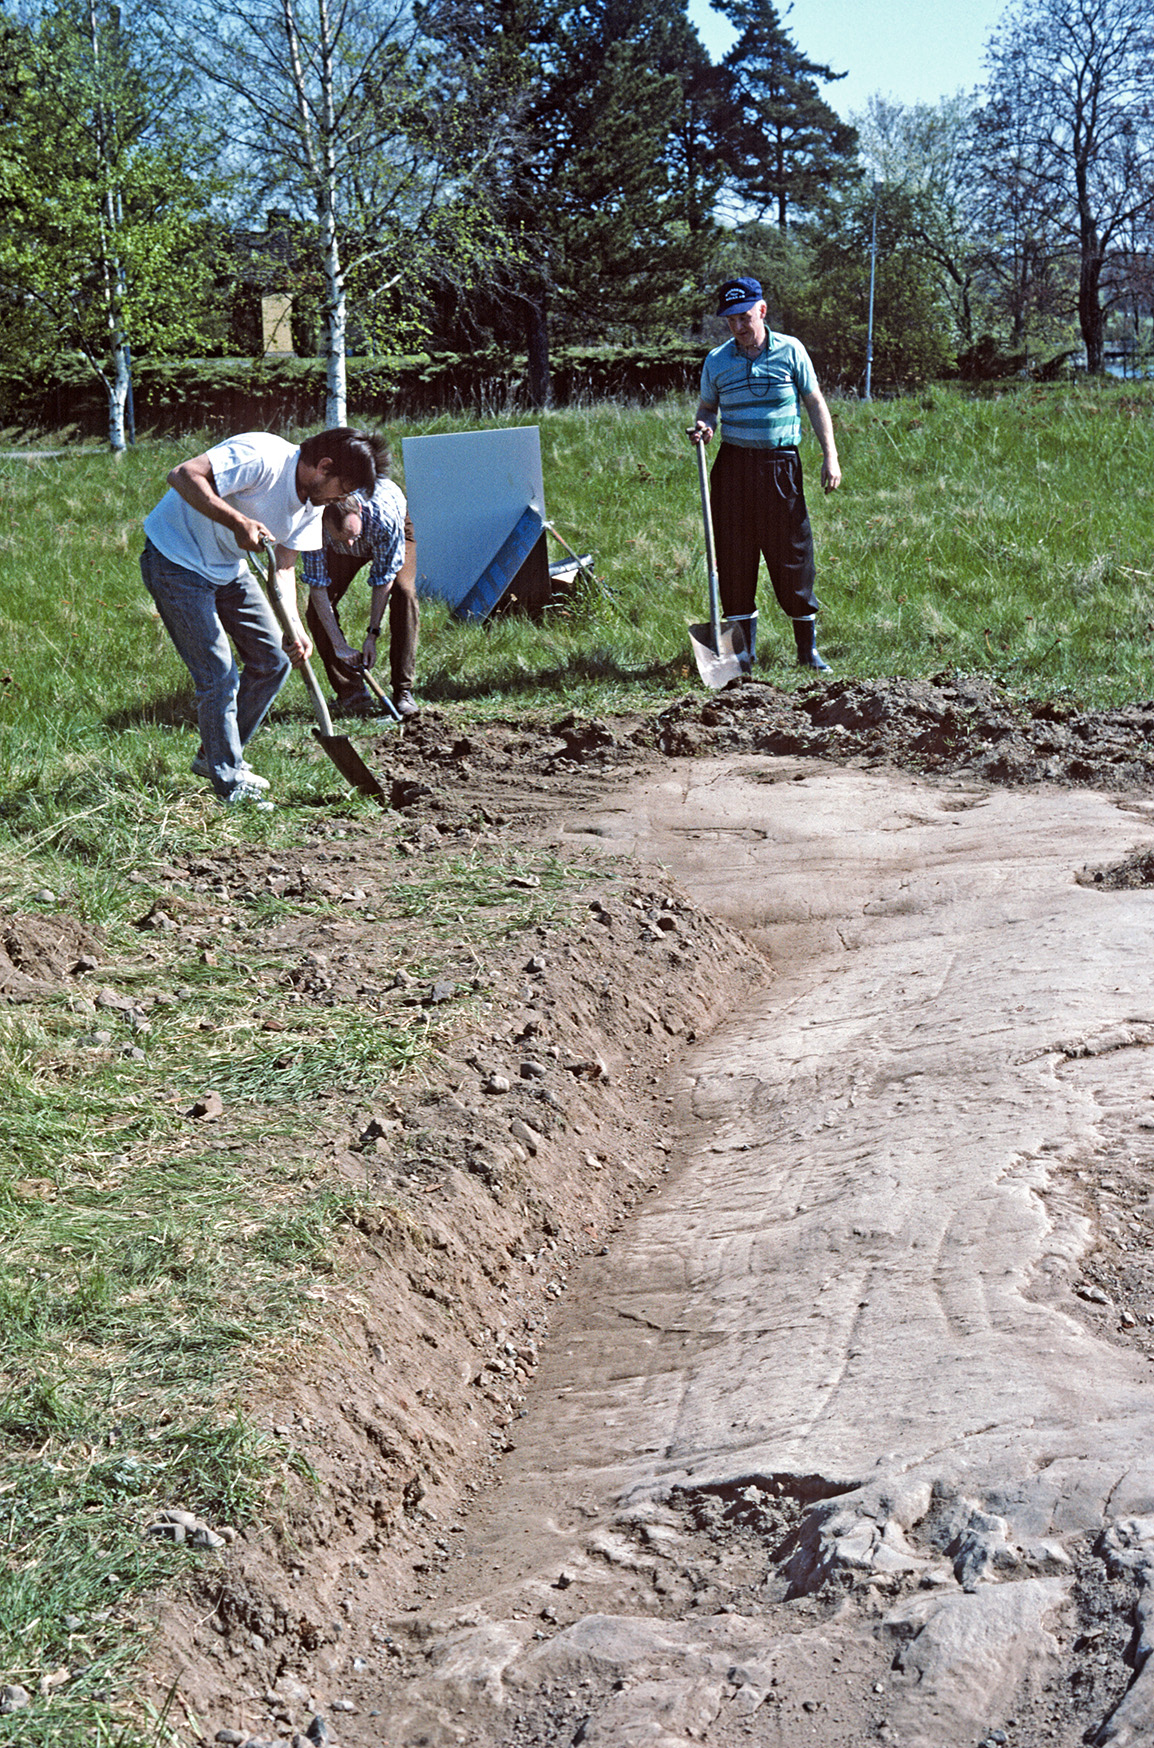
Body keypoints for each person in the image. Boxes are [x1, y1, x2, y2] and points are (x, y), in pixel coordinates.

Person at [140, 427, 386, 808]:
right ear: (323, 466)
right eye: (342, 487)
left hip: (228, 568)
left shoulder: (314, 505)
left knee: (274, 661)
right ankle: (230, 780)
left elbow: (284, 568)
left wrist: (295, 629)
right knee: (218, 674)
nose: (341, 499)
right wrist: (238, 521)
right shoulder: (264, 455)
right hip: (177, 560)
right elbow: (183, 475)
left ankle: (216, 755)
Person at [689, 276, 841, 672]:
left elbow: (815, 401)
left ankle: (806, 653)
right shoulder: (717, 360)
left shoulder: (791, 350)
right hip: (733, 468)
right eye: (731, 320)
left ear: (762, 310)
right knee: (735, 559)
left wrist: (831, 457)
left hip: (780, 466)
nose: (739, 327)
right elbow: (707, 408)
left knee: (792, 555)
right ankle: (742, 656)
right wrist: (704, 426)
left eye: (744, 317)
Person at [302, 460, 420, 720]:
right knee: (317, 613)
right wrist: (339, 644)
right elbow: (318, 588)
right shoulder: (312, 526)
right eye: (346, 537)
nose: (354, 544)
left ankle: (402, 691)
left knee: (404, 593)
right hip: (336, 545)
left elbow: (383, 579)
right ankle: (352, 694)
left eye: (355, 534)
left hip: (387, 531)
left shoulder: (382, 518)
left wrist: (372, 635)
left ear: (359, 511)